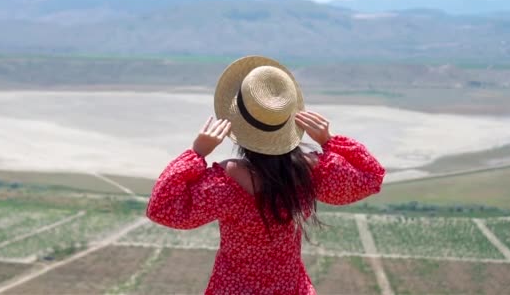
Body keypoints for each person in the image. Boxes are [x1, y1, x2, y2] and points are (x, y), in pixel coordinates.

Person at [146, 56, 385, 294]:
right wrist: (330, 141)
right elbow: (371, 177)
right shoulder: (307, 172)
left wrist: (197, 153)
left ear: (237, 125)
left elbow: (163, 208)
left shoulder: (225, 182)